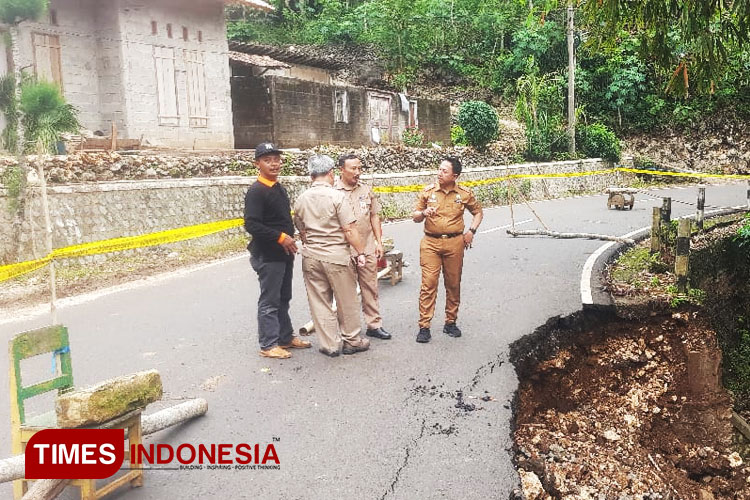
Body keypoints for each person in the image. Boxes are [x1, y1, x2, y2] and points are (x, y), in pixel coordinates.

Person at [294, 154, 371, 357]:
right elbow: (349, 229)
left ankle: (329, 344)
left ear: (311, 175)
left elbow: (300, 228)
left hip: (311, 257)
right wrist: (361, 252)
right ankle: (352, 340)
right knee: (346, 300)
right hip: (336, 255)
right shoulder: (338, 197)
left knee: (319, 301)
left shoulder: (301, 199)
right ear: (331, 173)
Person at [244, 142, 311, 359]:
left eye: (276, 159)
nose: (273, 164)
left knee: (284, 297)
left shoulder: (277, 187)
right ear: (257, 164)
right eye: (267, 160)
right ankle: (268, 344)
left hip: (284, 253)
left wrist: (293, 233)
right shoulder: (256, 191)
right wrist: (281, 237)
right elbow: (251, 224)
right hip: (268, 255)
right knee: (270, 300)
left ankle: (284, 337)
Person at [412, 157, 483, 343]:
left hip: (455, 243)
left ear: (455, 175)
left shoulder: (464, 194)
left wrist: (471, 231)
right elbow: (415, 216)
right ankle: (424, 326)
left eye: (444, 171)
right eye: (439, 169)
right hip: (430, 243)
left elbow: (478, 212)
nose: (439, 173)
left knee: (453, 283)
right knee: (428, 284)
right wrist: (423, 213)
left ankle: (450, 322)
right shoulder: (428, 191)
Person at [334, 154, 392, 340]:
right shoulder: (333, 192)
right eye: (353, 169)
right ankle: (350, 330)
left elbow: (374, 216)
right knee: (346, 293)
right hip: (343, 250)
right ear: (341, 170)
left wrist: (378, 241)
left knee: (371, 287)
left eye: (360, 168)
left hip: (367, 248)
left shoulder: (366, 190)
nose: (357, 172)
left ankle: (374, 325)